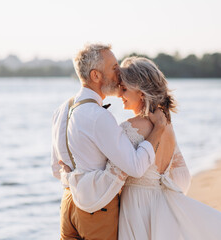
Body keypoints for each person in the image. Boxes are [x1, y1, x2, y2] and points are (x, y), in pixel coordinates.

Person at [60, 56, 221, 240]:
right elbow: (182, 176)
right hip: (161, 206)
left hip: (136, 208)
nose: (120, 94)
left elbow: (108, 172)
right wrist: (166, 197)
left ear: (140, 92)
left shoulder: (128, 129)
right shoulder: (167, 127)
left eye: (124, 89)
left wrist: (71, 176)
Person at [51, 44, 167, 240]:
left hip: (68, 205)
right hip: (96, 210)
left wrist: (74, 178)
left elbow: (56, 169)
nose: (119, 73)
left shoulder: (62, 110)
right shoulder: (98, 116)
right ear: (96, 76)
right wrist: (158, 130)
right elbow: (136, 167)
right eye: (114, 67)